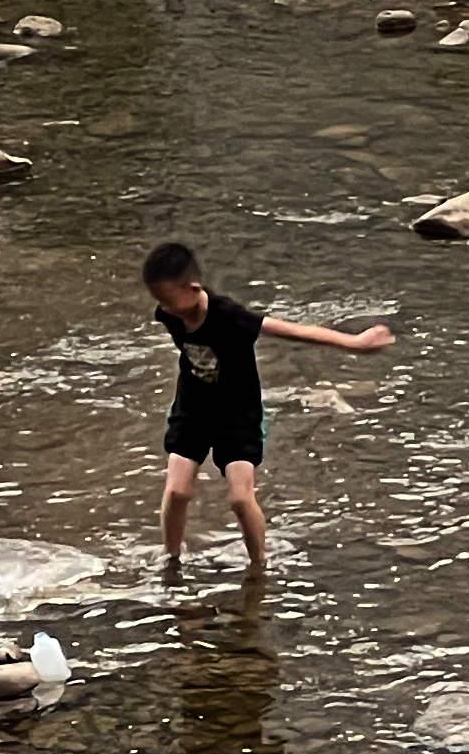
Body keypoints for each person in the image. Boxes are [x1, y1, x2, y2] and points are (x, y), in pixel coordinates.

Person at [141, 242, 393, 570]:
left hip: (238, 413)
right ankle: (171, 561)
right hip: (193, 409)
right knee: (177, 492)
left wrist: (353, 343)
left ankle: (259, 567)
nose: (164, 309)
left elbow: (292, 330)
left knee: (240, 499)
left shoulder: (229, 316)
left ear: (193, 288)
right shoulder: (169, 314)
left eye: (168, 300)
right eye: (159, 301)